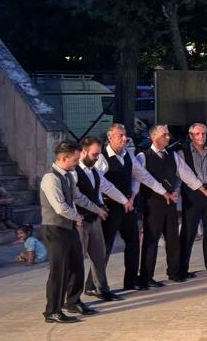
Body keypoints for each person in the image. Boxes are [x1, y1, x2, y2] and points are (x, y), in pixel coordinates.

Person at [136, 124, 207, 288]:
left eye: (168, 135)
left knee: (173, 239)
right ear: (153, 137)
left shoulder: (172, 156)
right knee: (151, 240)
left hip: (170, 203)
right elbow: (141, 179)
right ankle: (146, 276)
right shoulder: (143, 157)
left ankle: (174, 272)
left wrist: (202, 189)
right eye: (164, 135)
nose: (168, 137)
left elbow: (186, 174)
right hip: (152, 204)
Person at [97, 123, 166, 290]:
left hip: (127, 206)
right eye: (120, 135)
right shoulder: (102, 158)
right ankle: (94, 285)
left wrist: (164, 192)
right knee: (105, 246)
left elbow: (142, 175)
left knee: (133, 242)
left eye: (125, 135)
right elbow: (98, 184)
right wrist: (100, 204)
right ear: (110, 138)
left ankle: (131, 281)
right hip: (109, 207)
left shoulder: (128, 155)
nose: (124, 138)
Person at [38, 141, 101, 323]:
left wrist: (97, 209)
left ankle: (73, 301)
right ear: (64, 158)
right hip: (54, 229)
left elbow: (78, 197)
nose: (77, 162)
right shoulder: (50, 178)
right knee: (59, 270)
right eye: (75, 159)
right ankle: (52, 311)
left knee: (76, 266)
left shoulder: (68, 176)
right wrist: (77, 217)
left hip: (69, 227)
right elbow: (60, 207)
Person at [75, 136, 129, 302]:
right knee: (78, 260)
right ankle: (73, 298)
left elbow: (107, 187)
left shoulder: (94, 171)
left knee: (99, 256)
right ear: (83, 152)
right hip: (80, 221)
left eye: (98, 154)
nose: (97, 158)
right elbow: (74, 197)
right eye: (94, 154)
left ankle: (102, 290)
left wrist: (124, 201)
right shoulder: (74, 172)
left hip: (95, 219)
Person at [177, 123, 207, 278]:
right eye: (197, 134)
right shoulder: (182, 153)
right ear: (191, 136)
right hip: (192, 194)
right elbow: (180, 176)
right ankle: (181, 269)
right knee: (188, 232)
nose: (201, 136)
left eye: (203, 133)